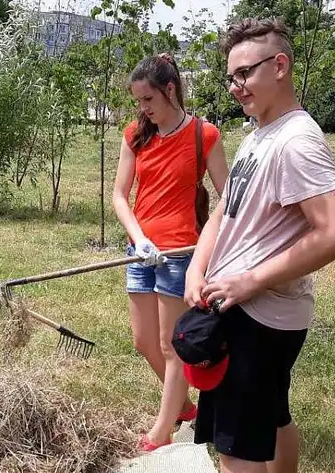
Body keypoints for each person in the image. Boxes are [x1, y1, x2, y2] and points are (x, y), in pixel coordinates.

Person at [179, 18, 335, 473]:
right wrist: (199, 263)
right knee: (272, 416)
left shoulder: (296, 142)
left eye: (244, 73)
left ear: (279, 66)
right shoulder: (261, 134)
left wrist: (248, 281)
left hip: (257, 316)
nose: (235, 86)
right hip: (244, 305)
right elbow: (225, 212)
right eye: (230, 77)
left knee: (238, 449)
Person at [111, 53, 230, 452]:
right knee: (143, 341)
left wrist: (209, 245)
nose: (143, 109)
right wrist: (137, 237)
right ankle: (183, 405)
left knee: (169, 344)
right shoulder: (135, 135)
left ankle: (164, 429)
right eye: (139, 102)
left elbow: (229, 198)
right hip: (140, 253)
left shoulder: (205, 135)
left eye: (149, 100)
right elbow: (119, 196)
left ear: (170, 90)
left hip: (181, 253)